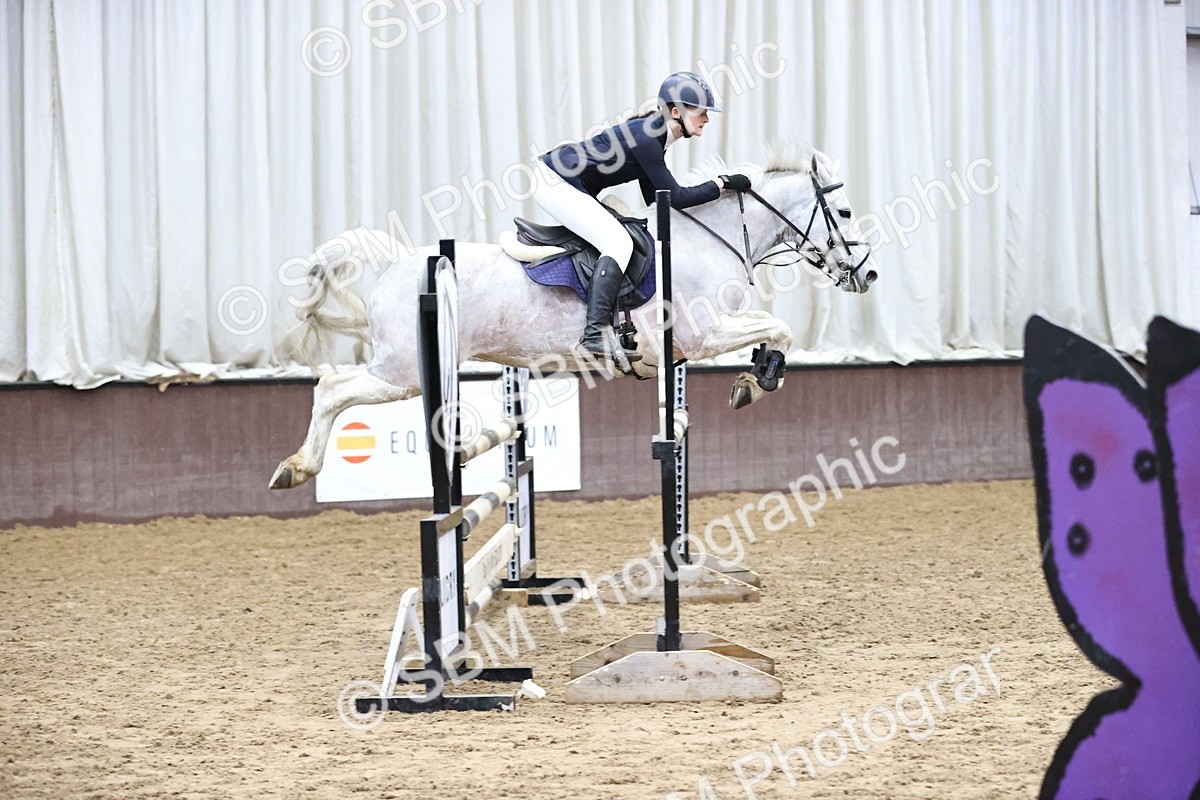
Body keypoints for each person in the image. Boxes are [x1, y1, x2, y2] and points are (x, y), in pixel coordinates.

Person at [532, 71, 752, 365]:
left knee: (627, 234)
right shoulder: (649, 137)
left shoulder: (654, 136)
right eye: (701, 112)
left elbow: (657, 201)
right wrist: (722, 184)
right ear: (676, 112)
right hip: (555, 181)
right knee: (618, 243)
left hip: (564, 180)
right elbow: (676, 196)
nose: (706, 119)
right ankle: (594, 332)